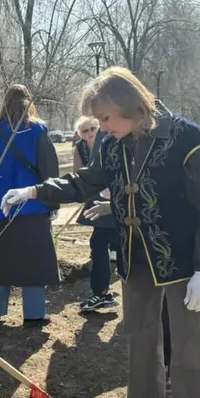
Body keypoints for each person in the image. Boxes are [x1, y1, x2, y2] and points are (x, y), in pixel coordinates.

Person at [0, 68, 200, 398]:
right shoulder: (113, 143)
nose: (103, 128)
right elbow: (86, 181)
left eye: (106, 118)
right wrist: (36, 192)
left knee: (189, 356)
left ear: (131, 106)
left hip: (183, 264)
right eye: (100, 121)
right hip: (136, 260)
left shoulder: (185, 138)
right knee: (142, 342)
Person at [0, 85, 60, 327]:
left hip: (1, 209)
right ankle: (34, 315)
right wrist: (52, 202)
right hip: (33, 205)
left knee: (1, 261)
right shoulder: (37, 130)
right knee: (33, 261)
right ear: (28, 102)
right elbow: (49, 169)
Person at [72, 116, 119, 313]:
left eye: (93, 128)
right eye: (85, 131)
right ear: (79, 134)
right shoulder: (80, 149)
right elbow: (78, 176)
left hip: (117, 200)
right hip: (97, 202)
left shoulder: (111, 141)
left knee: (105, 244)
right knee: (100, 244)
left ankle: (103, 293)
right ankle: (102, 292)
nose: (90, 133)